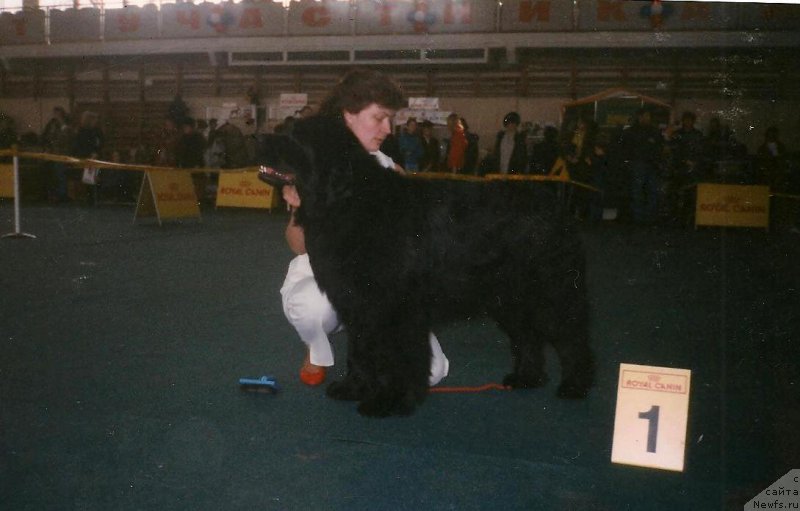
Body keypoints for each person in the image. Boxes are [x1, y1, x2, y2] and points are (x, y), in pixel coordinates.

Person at [279, 69, 449, 387]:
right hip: (325, 282)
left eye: (391, 119)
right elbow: (297, 244)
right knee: (312, 308)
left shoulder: (390, 170)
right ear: (349, 114)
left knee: (430, 373)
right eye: (379, 118)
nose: (388, 129)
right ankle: (316, 345)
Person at [618, 107, 664, 224]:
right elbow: (625, 148)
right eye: (646, 116)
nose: (648, 118)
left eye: (649, 116)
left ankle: (646, 217)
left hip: (649, 164)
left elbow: (660, 147)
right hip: (639, 164)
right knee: (639, 191)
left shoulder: (652, 131)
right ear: (640, 117)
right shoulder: (632, 131)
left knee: (649, 191)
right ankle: (640, 217)